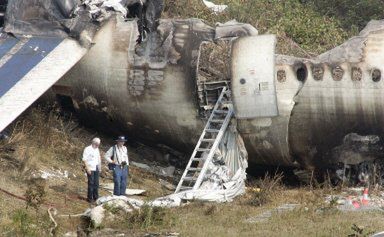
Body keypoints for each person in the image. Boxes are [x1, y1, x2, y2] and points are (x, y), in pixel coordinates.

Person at [82, 137, 101, 203]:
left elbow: (98, 159)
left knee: (96, 183)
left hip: (96, 168)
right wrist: (87, 168)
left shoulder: (97, 149)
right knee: (91, 183)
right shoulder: (87, 149)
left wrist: (99, 168)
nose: (97, 145)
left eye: (98, 144)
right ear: (93, 142)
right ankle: (90, 198)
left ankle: (96, 198)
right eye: (96, 143)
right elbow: (84, 159)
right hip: (90, 167)